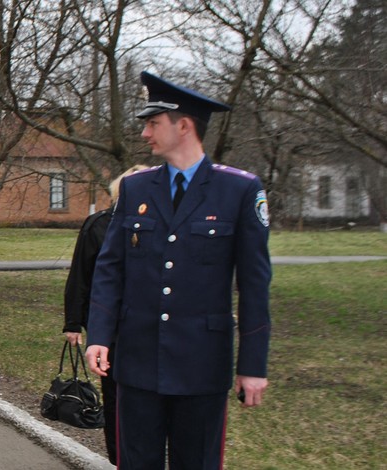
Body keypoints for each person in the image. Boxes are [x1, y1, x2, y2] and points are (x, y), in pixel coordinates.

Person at [85, 71, 272, 470]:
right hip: (136, 363)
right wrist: (98, 335)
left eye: (153, 123)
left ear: (183, 126)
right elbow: (110, 269)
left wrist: (253, 366)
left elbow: (255, 285)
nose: (145, 134)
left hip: (201, 366)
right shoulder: (136, 189)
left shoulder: (239, 190)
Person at [62, 164, 147, 465]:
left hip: (148, 328)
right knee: (115, 399)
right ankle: (119, 457)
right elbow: (81, 276)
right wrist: (73, 322)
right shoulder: (98, 225)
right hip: (111, 327)